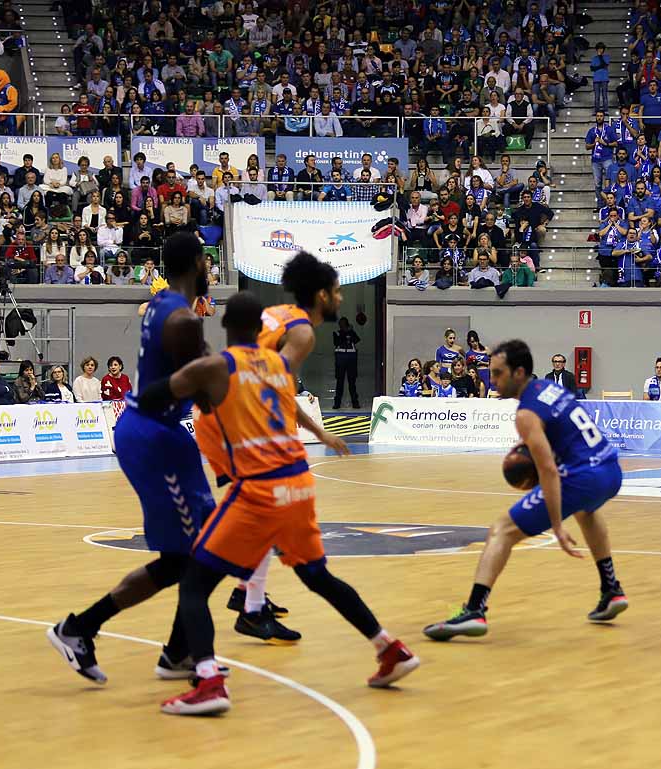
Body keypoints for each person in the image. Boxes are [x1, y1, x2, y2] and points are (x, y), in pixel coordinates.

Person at [134, 291, 418, 714]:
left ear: (227, 325)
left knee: (194, 582)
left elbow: (154, 395)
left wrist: (169, 355)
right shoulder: (280, 365)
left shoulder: (218, 366)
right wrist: (320, 434)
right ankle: (389, 648)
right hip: (299, 486)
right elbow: (290, 406)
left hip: (260, 489)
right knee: (318, 577)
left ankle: (210, 681)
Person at [47, 233, 217, 685]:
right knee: (197, 555)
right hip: (153, 436)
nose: (210, 268)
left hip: (160, 434)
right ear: (195, 264)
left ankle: (91, 630)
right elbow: (207, 389)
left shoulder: (164, 305)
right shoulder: (180, 317)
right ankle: (191, 656)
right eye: (207, 260)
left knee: (192, 553)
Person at [425, 339, 627, 641]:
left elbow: (546, 469)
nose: (491, 380)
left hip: (582, 476)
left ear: (519, 373)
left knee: (502, 530)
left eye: (498, 374)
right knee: (587, 509)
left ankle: (474, 610)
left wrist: (557, 525)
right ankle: (611, 590)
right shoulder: (550, 387)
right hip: (610, 470)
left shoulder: (525, 414)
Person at [221, 253, 349, 642]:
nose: (341, 299)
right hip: (240, 413)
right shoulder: (303, 333)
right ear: (322, 294)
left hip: (227, 399)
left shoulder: (278, 312)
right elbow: (271, 383)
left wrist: (316, 432)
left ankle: (247, 594)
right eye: (338, 291)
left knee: (268, 511)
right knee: (273, 506)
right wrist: (311, 430)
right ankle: (247, 603)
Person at [332, 317, 360, 409]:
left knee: (352, 382)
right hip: (340, 357)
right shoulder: (337, 333)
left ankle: (355, 402)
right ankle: (337, 403)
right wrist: (345, 333)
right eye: (341, 324)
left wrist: (350, 332)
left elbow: (356, 340)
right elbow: (336, 342)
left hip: (351, 358)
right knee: (340, 382)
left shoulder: (351, 333)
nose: (342, 326)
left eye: (344, 324)